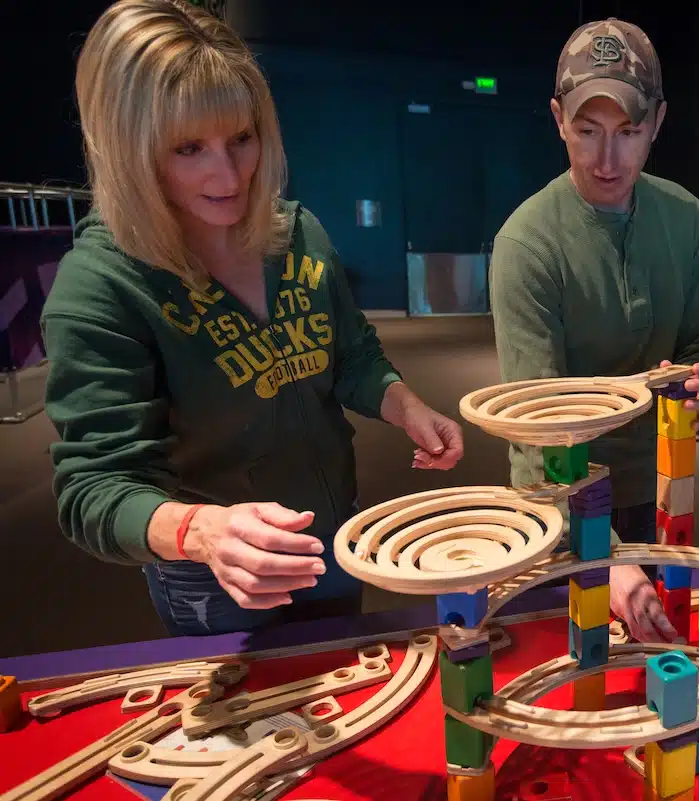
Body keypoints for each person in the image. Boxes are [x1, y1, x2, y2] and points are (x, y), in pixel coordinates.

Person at [41, 0, 464, 637]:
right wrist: (199, 531)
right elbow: (96, 488)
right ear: (133, 153)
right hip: (217, 572)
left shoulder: (295, 233)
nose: (231, 173)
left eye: (243, 137)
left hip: (334, 535)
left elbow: (350, 355)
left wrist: (405, 406)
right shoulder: (102, 283)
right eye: (188, 149)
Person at [489, 18, 699, 644]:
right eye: (587, 130)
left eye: (629, 132)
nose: (606, 159)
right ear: (557, 118)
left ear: (657, 122)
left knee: (657, 660)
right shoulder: (527, 243)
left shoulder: (689, 220)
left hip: (660, 485)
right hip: (559, 499)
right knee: (571, 668)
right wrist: (603, 553)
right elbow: (538, 424)